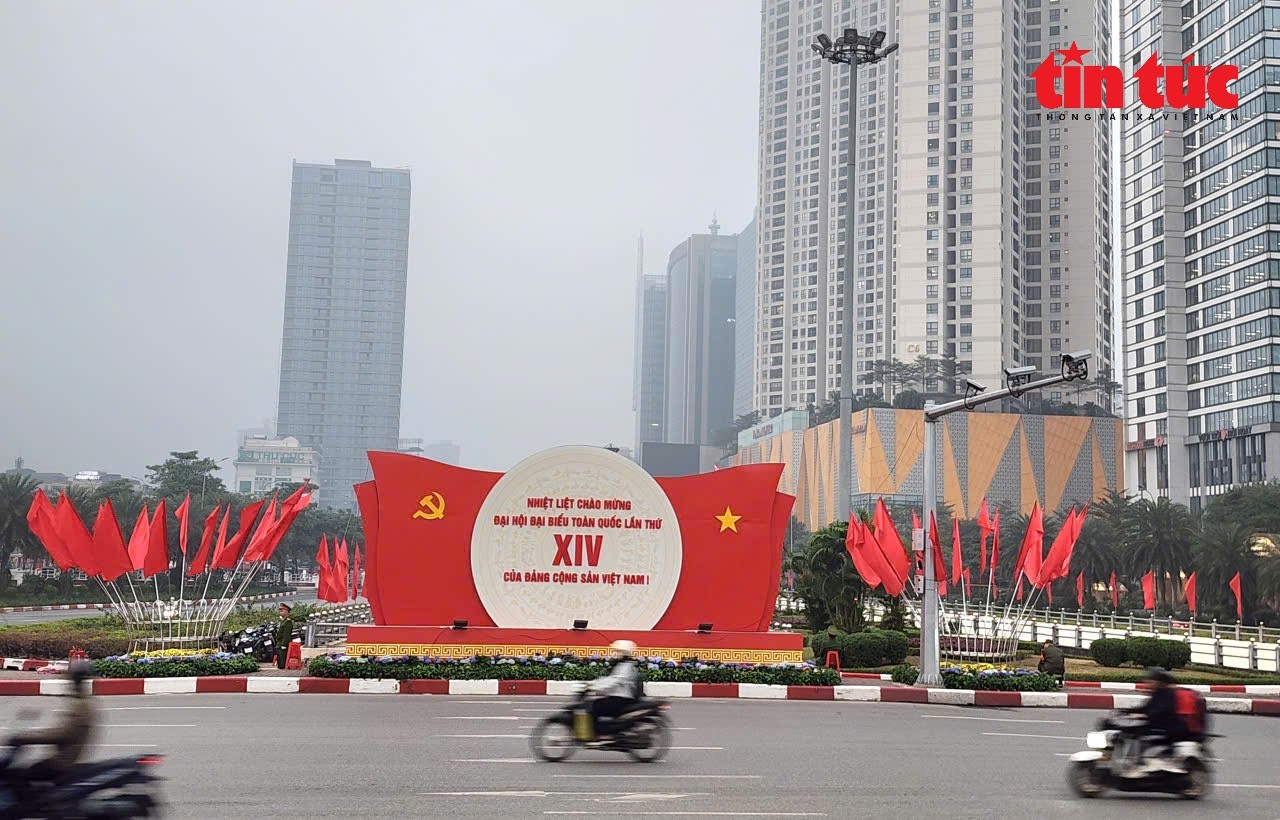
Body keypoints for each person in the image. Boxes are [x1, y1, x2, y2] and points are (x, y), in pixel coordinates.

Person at [8, 662, 97, 784]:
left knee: (19, 778)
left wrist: (24, 738)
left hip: (61, 763)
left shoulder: (80, 706)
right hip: (65, 759)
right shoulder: (81, 701)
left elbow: (61, 734)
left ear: (75, 680)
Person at [1123, 667, 1188, 775]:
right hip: (1160, 725)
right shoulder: (1158, 693)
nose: (1148, 683)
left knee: (1140, 735)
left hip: (1170, 728)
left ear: (1159, 681)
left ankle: (1141, 763)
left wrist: (1143, 716)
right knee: (1131, 731)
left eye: (1151, 680)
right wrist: (1126, 711)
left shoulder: (1169, 694)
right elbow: (1146, 707)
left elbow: (1161, 711)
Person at [587, 640, 642, 741]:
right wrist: (593, 684)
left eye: (618, 652)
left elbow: (615, 681)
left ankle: (600, 734)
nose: (615, 654)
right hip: (619, 696)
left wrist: (595, 687)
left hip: (623, 698)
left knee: (595, 706)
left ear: (624, 653)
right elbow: (610, 679)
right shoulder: (622, 665)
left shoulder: (626, 667)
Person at [274, 604, 296, 670]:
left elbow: (286, 634)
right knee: (279, 661)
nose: (280, 611)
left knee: (282, 663)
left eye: (282, 610)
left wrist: (284, 644)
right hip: (279, 643)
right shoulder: (283, 621)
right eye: (280, 610)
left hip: (282, 644)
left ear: (287, 611)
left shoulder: (288, 622)